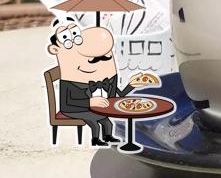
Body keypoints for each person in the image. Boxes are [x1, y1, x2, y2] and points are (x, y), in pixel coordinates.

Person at [46, 18, 152, 146]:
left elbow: (117, 96)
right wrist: (89, 102)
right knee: (94, 121)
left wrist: (132, 85)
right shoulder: (69, 82)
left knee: (106, 121)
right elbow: (68, 102)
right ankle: (95, 139)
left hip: (88, 106)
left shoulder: (97, 79)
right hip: (71, 108)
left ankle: (108, 137)